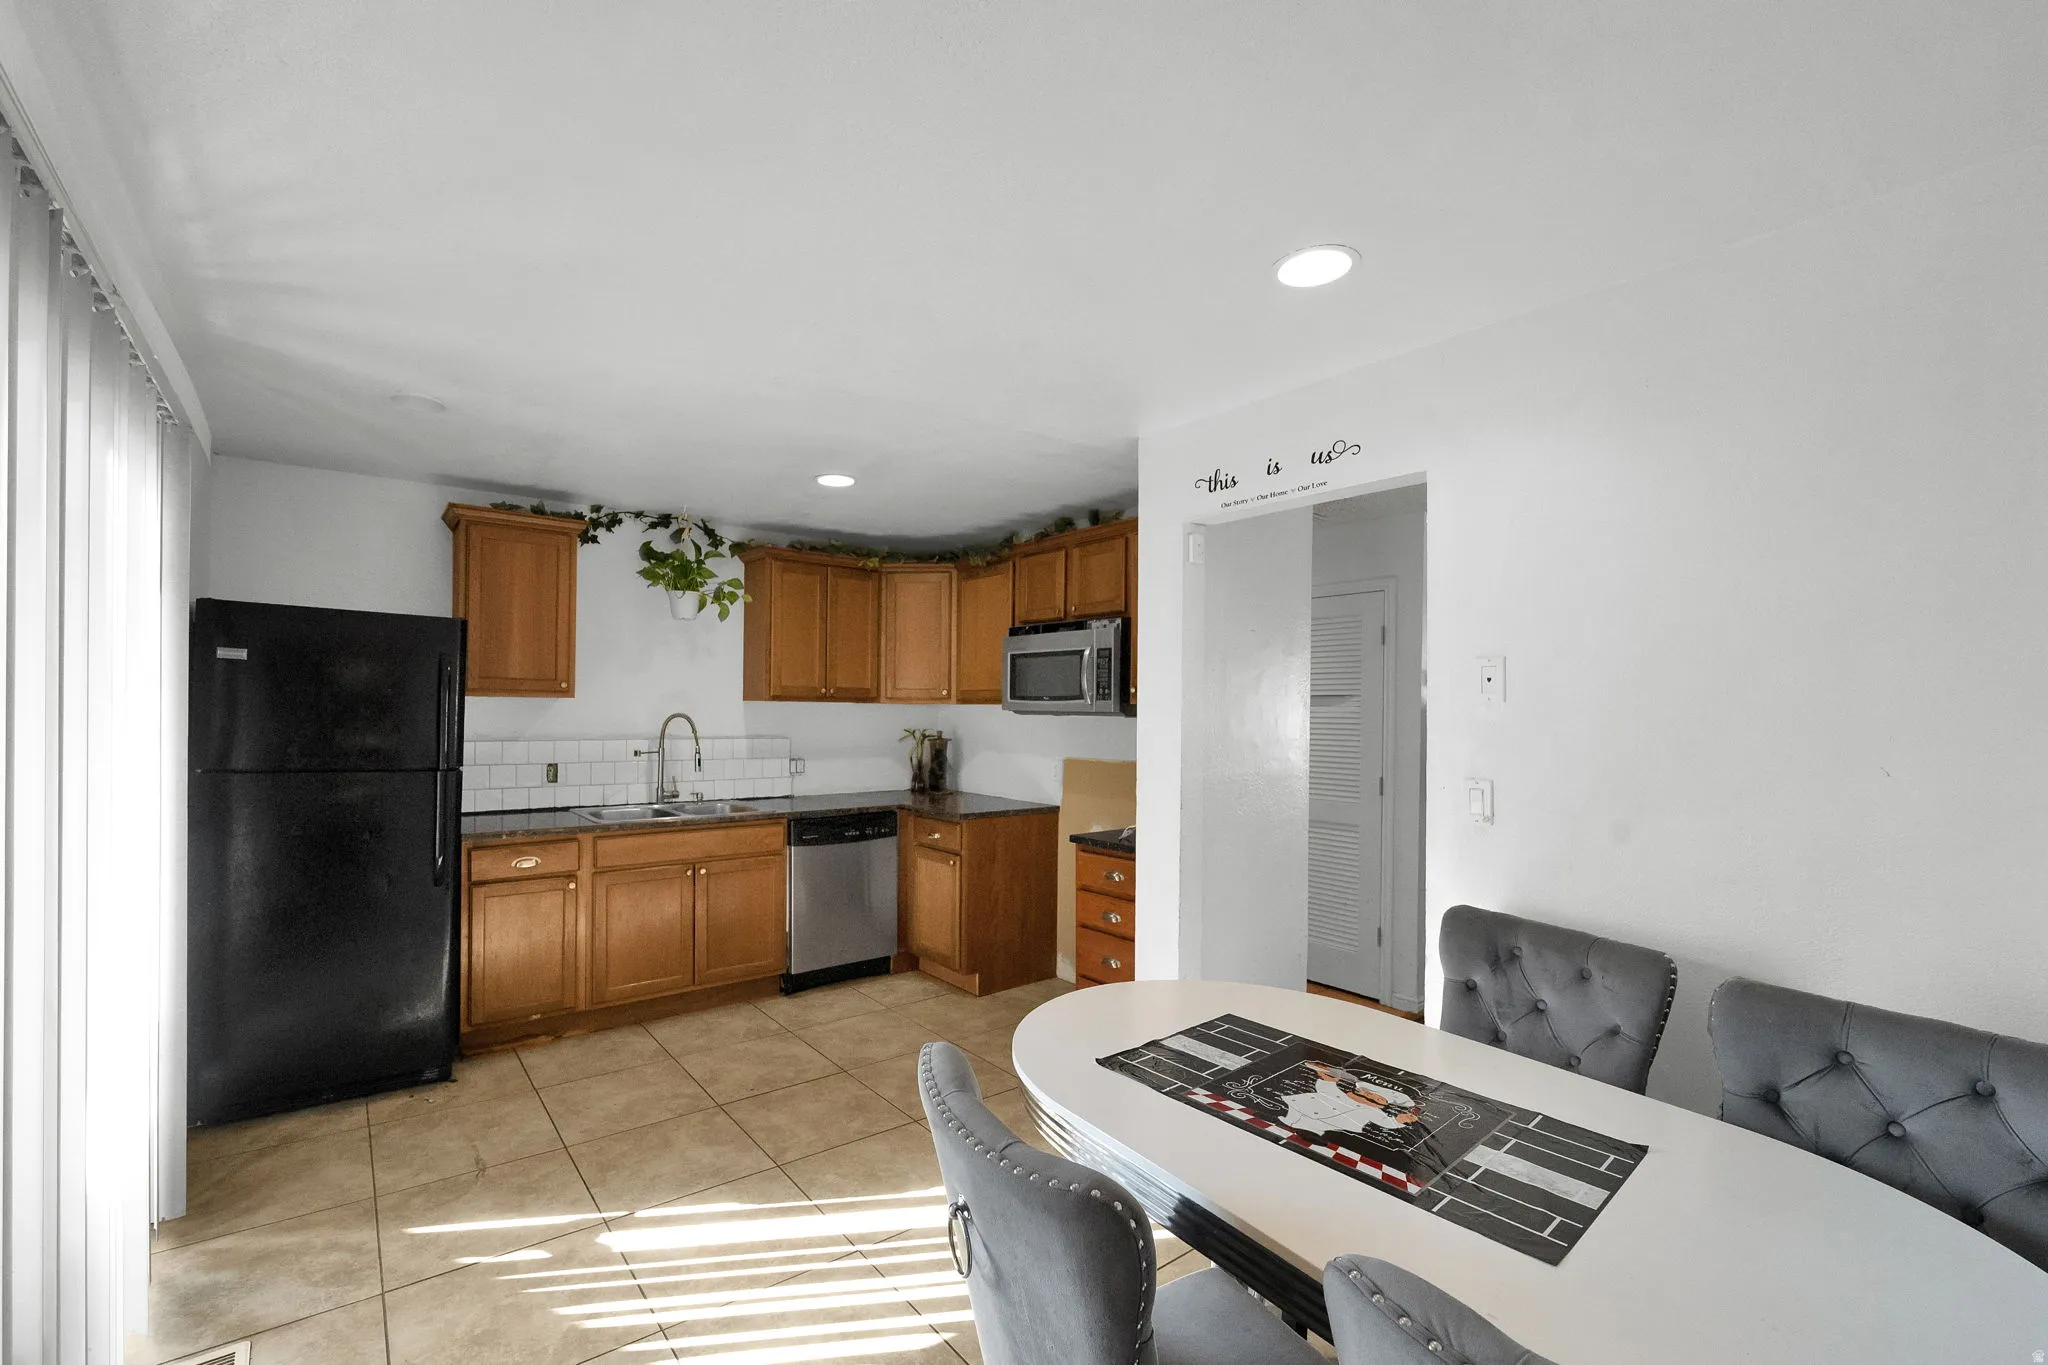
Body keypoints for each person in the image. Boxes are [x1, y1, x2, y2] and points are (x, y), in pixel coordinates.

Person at [1278, 1060, 1423, 1136]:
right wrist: (1324, 1070)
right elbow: (1325, 1080)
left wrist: (1405, 1119)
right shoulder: (1335, 1091)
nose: (1371, 1094)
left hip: (1317, 1129)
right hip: (1290, 1112)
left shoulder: (1372, 1112)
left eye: (1379, 1098)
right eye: (1367, 1092)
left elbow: (1390, 1122)